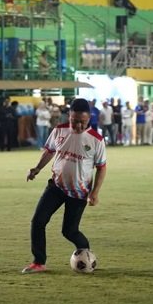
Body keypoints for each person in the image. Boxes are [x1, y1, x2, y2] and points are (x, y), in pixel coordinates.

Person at [22, 98, 107, 274]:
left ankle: (86, 254)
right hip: (56, 187)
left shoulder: (96, 140)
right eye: (74, 121)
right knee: (38, 221)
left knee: (69, 231)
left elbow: (101, 167)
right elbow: (49, 151)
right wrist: (37, 168)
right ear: (69, 116)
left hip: (79, 193)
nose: (78, 126)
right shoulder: (59, 131)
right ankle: (39, 262)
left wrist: (95, 193)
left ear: (89, 118)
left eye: (82, 122)